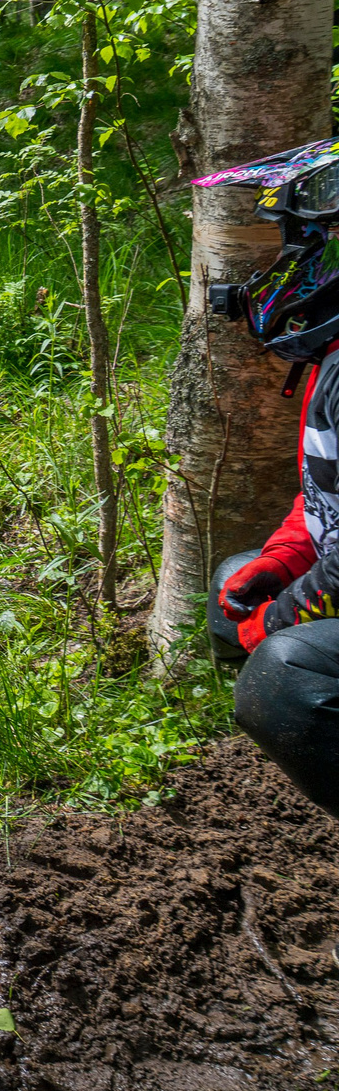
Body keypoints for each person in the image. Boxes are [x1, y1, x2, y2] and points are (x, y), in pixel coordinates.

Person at [202, 136, 339, 817]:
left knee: (282, 676)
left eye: (288, 246)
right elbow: (327, 501)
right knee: (236, 581)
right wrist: (282, 564)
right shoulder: (332, 360)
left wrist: (274, 623)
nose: (271, 270)